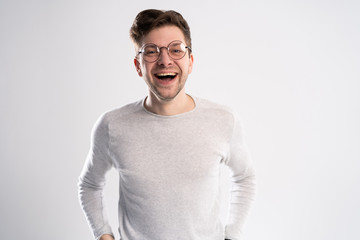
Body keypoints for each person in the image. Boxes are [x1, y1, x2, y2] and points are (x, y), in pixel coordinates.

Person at [78, 9, 256, 240]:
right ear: (138, 66)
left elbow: (245, 177)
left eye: (176, 50)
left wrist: (232, 235)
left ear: (190, 61)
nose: (164, 60)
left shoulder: (223, 120)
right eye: (151, 52)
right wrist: (103, 235)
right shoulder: (112, 125)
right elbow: (90, 185)